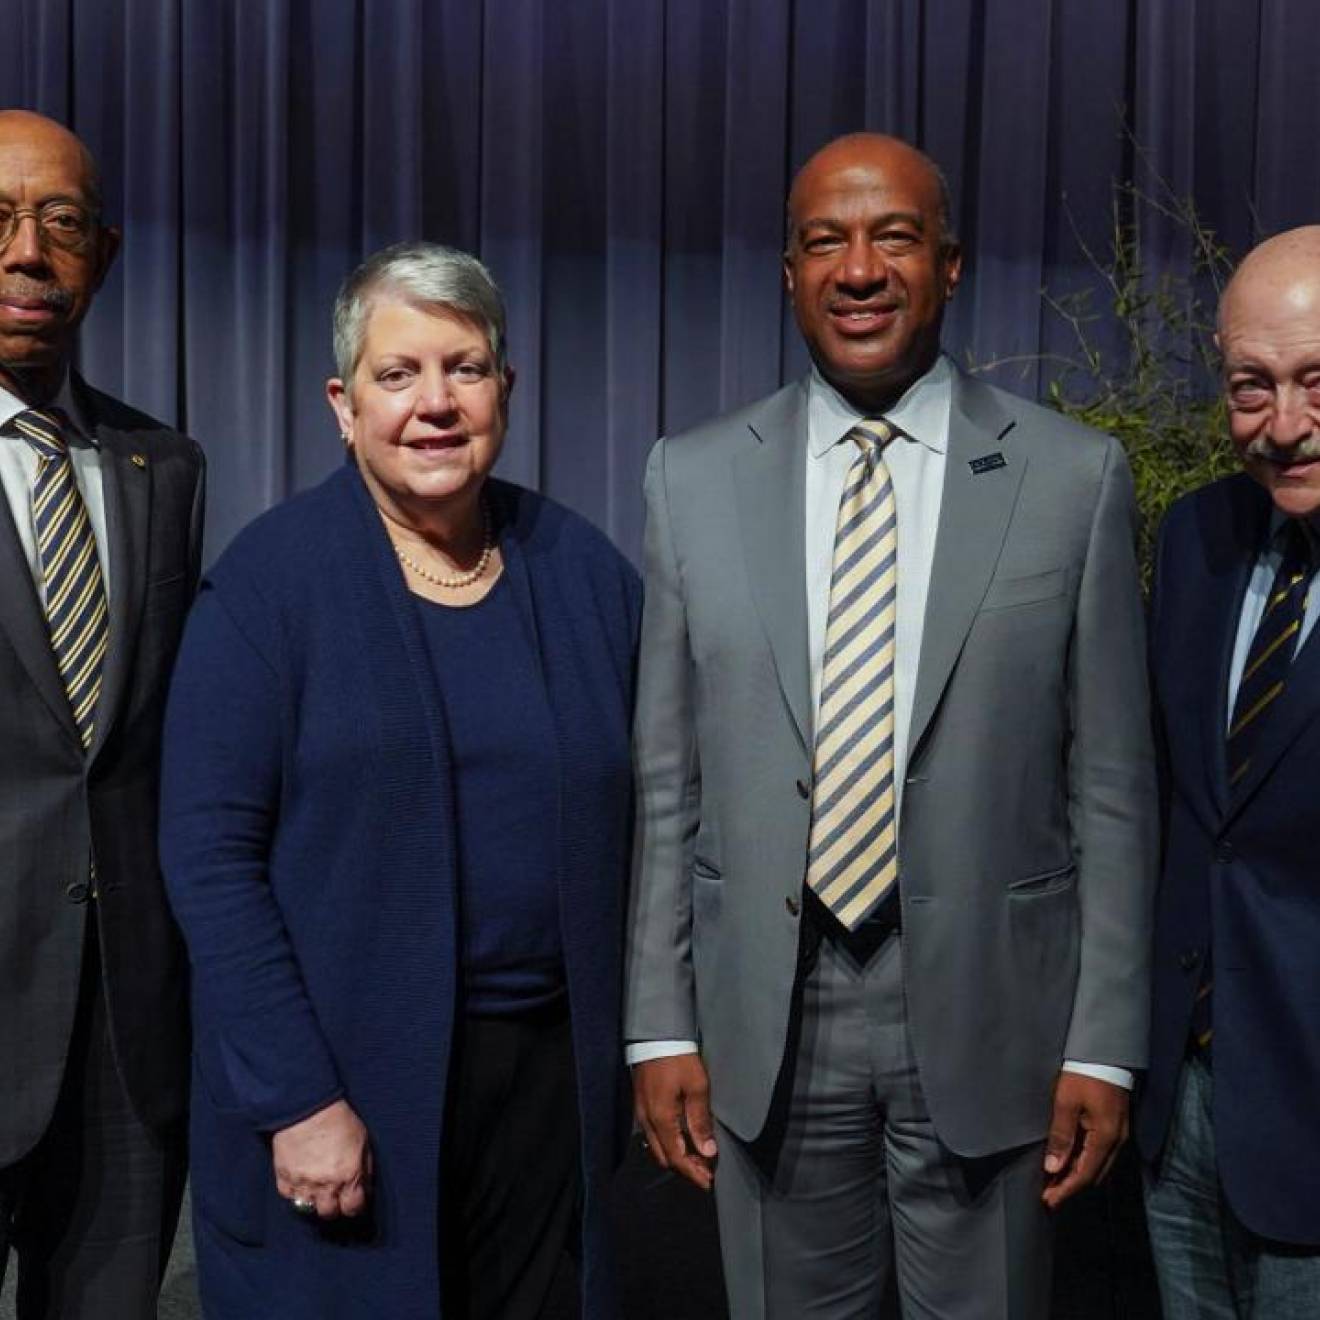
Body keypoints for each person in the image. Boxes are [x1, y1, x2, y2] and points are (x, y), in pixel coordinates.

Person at [625, 132, 1157, 1318]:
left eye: (893, 237)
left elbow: (1113, 787)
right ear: (789, 272)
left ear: (952, 266)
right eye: (825, 242)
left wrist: (1104, 1044)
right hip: (769, 1019)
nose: (858, 268)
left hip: (997, 1023)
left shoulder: (1073, 479)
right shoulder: (690, 479)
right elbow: (670, 782)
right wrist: (657, 1027)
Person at [159, 240, 640, 1320]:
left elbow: (658, 817)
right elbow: (208, 859)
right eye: (398, 374)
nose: (436, 403)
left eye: (464, 369)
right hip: (349, 1089)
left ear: (505, 391)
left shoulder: (584, 572)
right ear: (342, 405)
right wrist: (296, 1096)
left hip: (550, 1094)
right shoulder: (270, 587)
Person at [0, 110, 204, 1318]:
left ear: (106, 254)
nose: (29, 253)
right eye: (1, 221)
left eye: (62, 224)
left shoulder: (160, 466)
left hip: (126, 1037)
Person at [1137, 226, 1320, 1316]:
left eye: (1316, 382)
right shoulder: (1197, 538)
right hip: (1184, 1113)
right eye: (1252, 385)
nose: (1284, 425)